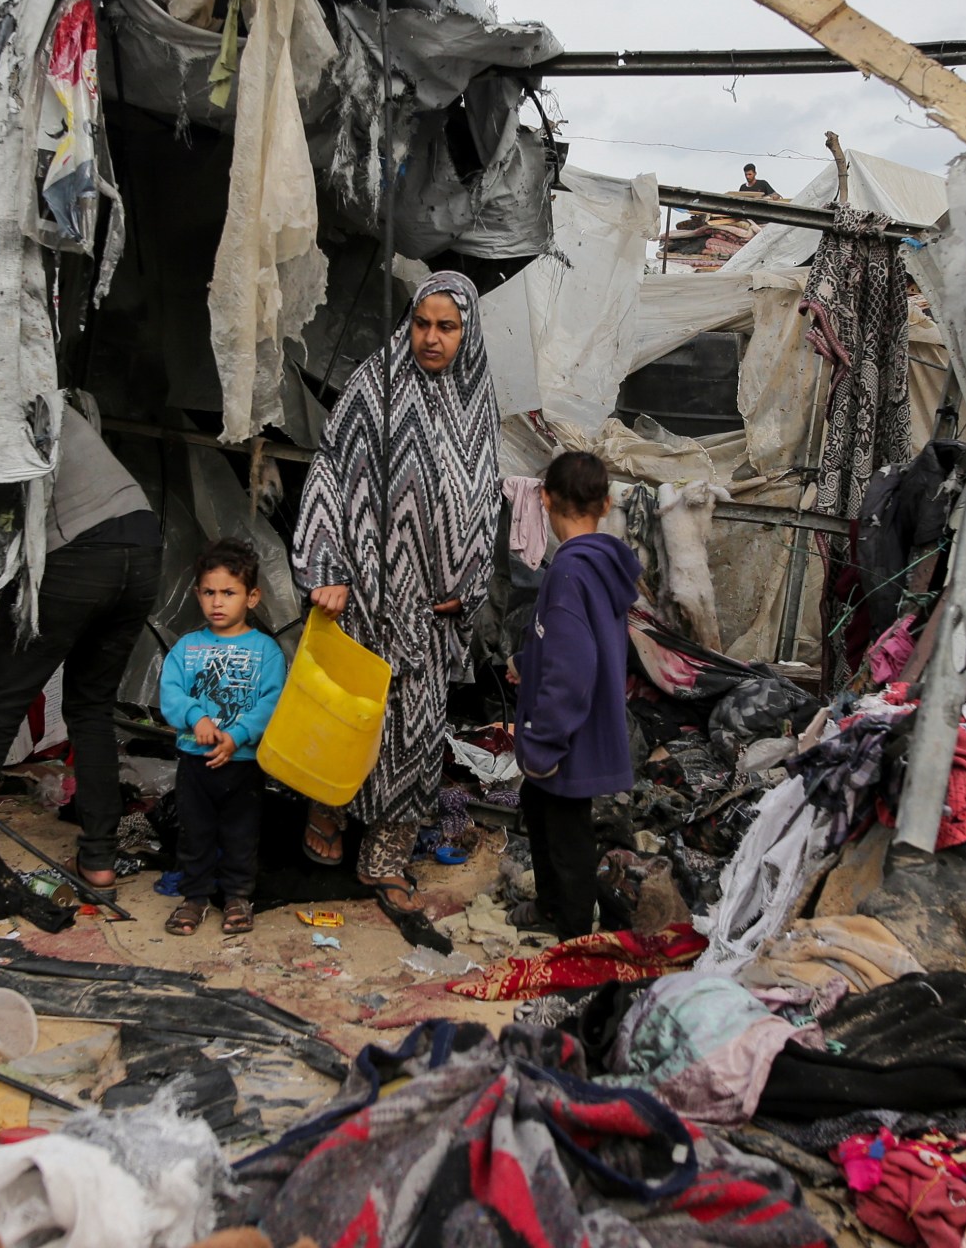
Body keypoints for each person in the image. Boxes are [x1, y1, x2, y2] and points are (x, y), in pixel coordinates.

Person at [292, 271, 499, 936]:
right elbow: (327, 469)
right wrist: (326, 565)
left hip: (427, 616)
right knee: (346, 721)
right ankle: (325, 812)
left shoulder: (477, 403)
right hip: (362, 599)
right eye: (423, 323)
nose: (432, 338)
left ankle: (383, 858)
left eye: (447, 327)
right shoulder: (372, 389)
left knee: (413, 736)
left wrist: (466, 588)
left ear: (467, 334)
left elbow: (482, 501)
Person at [0, 398, 160, 904]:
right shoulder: (40, 390)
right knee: (90, 708)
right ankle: (99, 860)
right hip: (142, 540)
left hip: (81, 549)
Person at [510, 451, 642, 940]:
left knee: (567, 835)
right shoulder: (600, 566)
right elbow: (574, 642)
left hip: (569, 737)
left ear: (543, 498)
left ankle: (571, 933)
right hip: (585, 725)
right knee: (541, 811)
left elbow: (572, 667)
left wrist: (545, 742)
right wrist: (527, 664)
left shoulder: (568, 573)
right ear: (605, 504)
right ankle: (552, 908)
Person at [158, 539, 287, 937]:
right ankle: (194, 898)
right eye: (209, 592)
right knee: (194, 834)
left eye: (228, 593)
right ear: (197, 594)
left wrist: (238, 735)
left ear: (252, 597)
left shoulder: (266, 651)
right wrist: (195, 718)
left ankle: (236, 897)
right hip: (194, 764)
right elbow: (171, 693)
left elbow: (272, 700)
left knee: (240, 836)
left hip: (243, 764)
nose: (218, 602)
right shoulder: (186, 647)